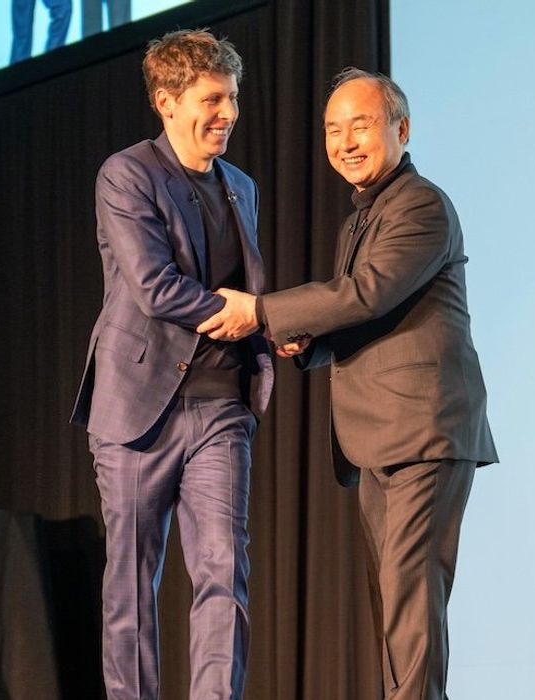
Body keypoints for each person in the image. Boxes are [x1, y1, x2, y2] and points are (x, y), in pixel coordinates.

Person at [197, 68, 498, 699]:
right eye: (333, 130)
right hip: (377, 439)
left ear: (401, 128)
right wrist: (309, 341)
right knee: (394, 609)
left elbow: (369, 292)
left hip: (422, 431)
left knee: (411, 605)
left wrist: (261, 311)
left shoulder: (421, 204)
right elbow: (367, 312)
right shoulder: (360, 219)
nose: (345, 142)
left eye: (360, 125)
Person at [70, 29, 271, 700]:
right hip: (137, 410)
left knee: (223, 570)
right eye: (213, 99)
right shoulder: (126, 174)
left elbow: (248, 292)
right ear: (167, 100)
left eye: (233, 98)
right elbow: (155, 288)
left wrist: (271, 325)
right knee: (130, 581)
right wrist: (245, 311)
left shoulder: (240, 185)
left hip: (220, 407)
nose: (228, 114)